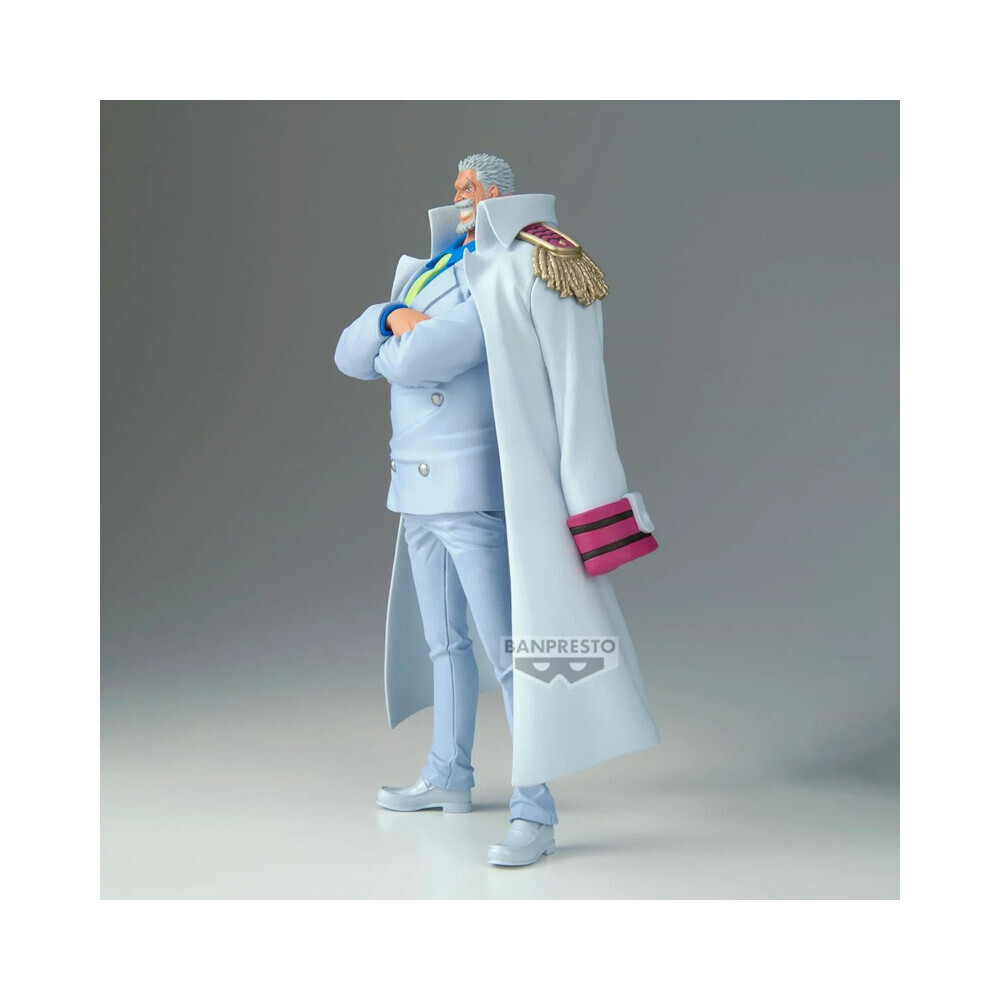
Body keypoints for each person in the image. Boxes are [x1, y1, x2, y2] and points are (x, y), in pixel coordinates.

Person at [335, 154, 659, 867]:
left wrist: (394, 342)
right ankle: (448, 772)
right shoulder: (428, 270)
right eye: (456, 187)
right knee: (444, 643)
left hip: (470, 487)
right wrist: (391, 317)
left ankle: (534, 809)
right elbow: (349, 352)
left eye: (472, 188)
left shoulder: (517, 264)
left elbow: (424, 358)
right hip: (414, 489)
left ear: (497, 196)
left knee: (516, 653)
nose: (460, 197)